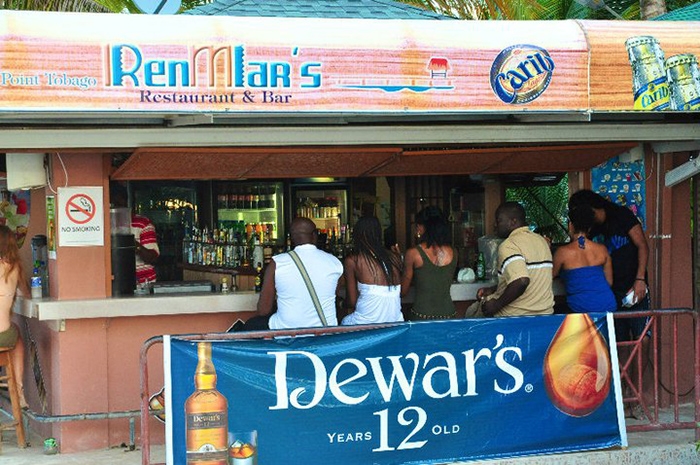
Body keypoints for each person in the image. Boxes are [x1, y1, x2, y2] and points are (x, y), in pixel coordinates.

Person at [568, 189, 650, 341]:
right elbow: (578, 252)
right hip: (609, 292)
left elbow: (642, 246)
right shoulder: (590, 228)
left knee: (642, 336)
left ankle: (640, 359)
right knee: (616, 340)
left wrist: (640, 279)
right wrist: (574, 231)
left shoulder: (622, 215)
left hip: (633, 285)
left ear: (590, 208)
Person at [245, 217, 343, 330]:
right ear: (314, 235)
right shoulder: (334, 262)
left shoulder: (277, 263)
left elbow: (263, 310)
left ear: (291, 238)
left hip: (285, 331)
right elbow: (333, 296)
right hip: (326, 331)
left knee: (251, 324)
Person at [468, 202, 554, 318]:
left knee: (471, 313)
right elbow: (524, 277)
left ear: (513, 222)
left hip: (514, 316)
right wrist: (494, 289)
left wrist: (496, 305)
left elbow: (521, 281)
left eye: (499, 220)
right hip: (545, 314)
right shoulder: (541, 241)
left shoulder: (509, 245)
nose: (495, 225)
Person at [552, 204, 617, 313]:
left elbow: (548, 277)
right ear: (590, 227)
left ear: (571, 225)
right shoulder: (602, 249)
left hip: (580, 308)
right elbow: (609, 282)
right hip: (607, 306)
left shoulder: (562, 252)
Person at [342, 216, 403, 325]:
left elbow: (352, 302)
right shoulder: (394, 257)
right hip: (395, 322)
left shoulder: (353, 260)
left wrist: (340, 303)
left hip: (366, 323)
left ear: (357, 235)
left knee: (343, 322)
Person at [400, 206, 457, 320]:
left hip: (422, 316)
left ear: (424, 227)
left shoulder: (413, 253)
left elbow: (402, 292)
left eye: (418, 225)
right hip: (449, 315)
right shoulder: (454, 252)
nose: (417, 228)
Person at [0, 225, 29, 408]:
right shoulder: (15, 267)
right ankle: (18, 390)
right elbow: (26, 293)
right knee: (16, 335)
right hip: (5, 336)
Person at [110, 184, 160, 285]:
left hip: (143, 282)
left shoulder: (142, 223)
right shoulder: (100, 225)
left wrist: (132, 244)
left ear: (126, 201)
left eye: (119, 204)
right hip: (112, 281)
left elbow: (153, 257)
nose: (115, 208)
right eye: (112, 204)